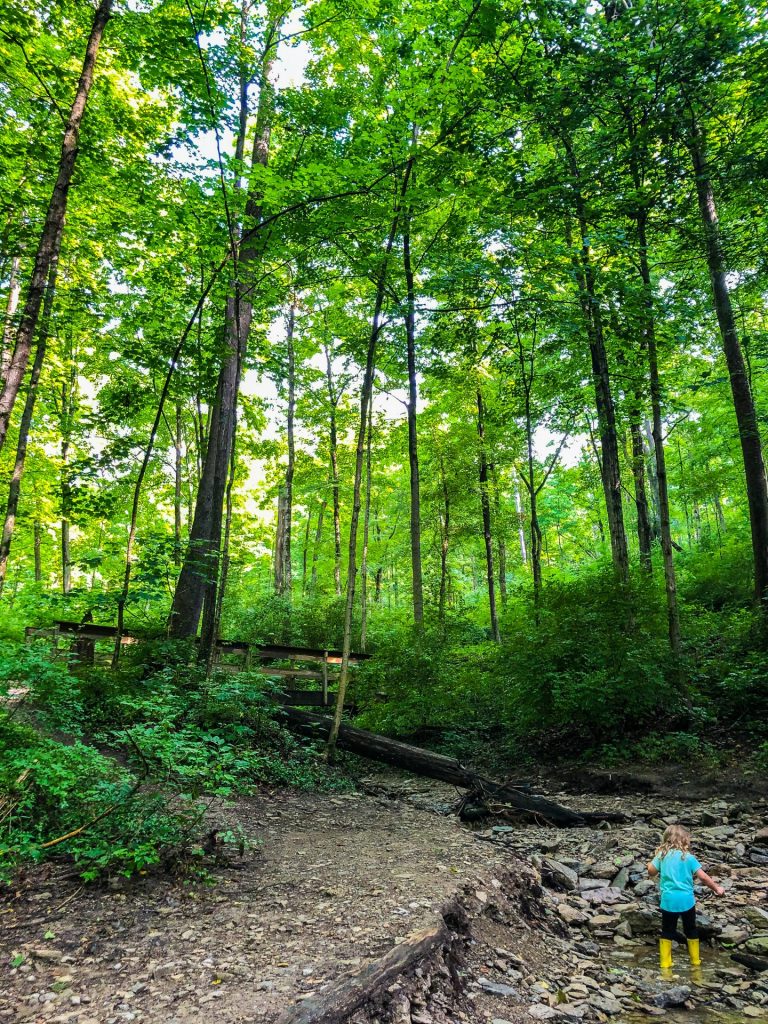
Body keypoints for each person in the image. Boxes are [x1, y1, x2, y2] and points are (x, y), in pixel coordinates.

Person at [647, 823, 725, 971]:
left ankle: (665, 963)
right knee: (691, 929)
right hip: (687, 901)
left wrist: (649, 864)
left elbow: (651, 872)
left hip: (668, 900)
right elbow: (704, 878)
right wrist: (717, 888)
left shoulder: (661, 856)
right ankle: (695, 961)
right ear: (684, 840)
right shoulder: (689, 858)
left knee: (667, 931)